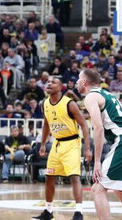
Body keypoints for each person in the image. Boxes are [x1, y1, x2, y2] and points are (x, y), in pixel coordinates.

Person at [77, 68, 122, 220]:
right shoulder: (107, 94)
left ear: (84, 82)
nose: (76, 82)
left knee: (97, 189)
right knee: (120, 190)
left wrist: (97, 162)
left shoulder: (91, 97)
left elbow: (99, 129)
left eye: (78, 79)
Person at [33, 77, 92, 220]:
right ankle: (48, 211)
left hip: (72, 143)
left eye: (53, 82)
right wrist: (42, 144)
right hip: (57, 143)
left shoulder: (69, 104)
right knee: (49, 177)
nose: (49, 83)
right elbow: (46, 124)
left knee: (74, 177)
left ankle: (79, 212)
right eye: (47, 82)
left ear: (60, 87)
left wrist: (87, 148)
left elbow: (84, 124)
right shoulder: (45, 103)